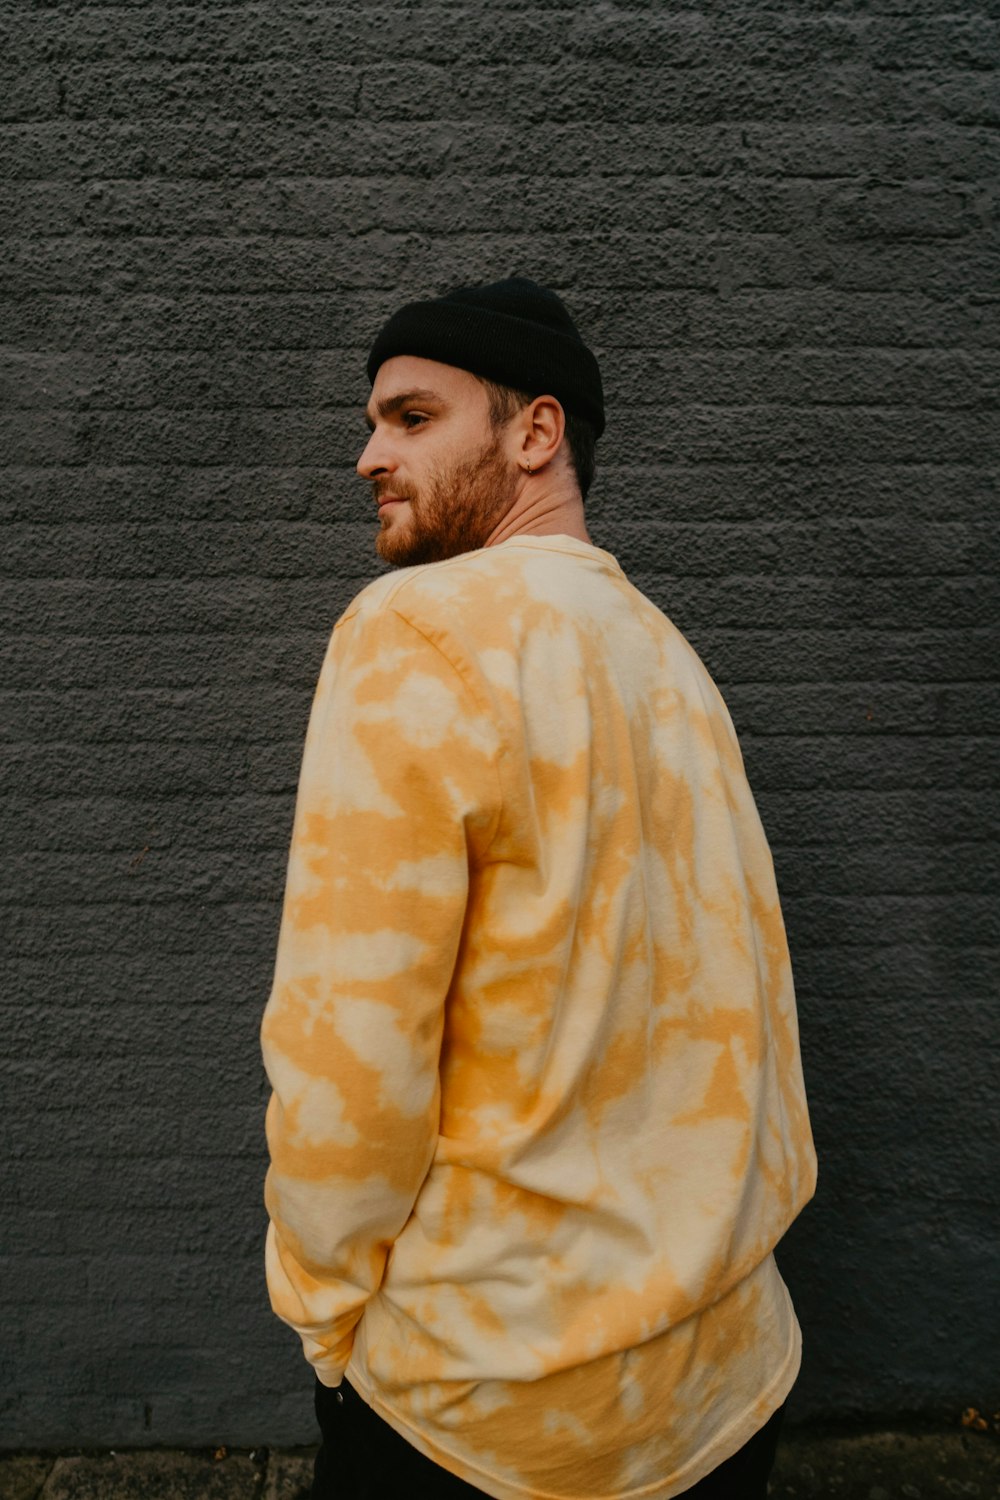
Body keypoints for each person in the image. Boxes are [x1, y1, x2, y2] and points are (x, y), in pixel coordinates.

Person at [261, 276, 817, 1499]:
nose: (366, 454)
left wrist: (325, 1315)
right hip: (727, 1378)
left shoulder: (412, 630)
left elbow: (350, 1052)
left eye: (411, 418)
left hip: (497, 1403)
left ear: (534, 433)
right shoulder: (667, 656)